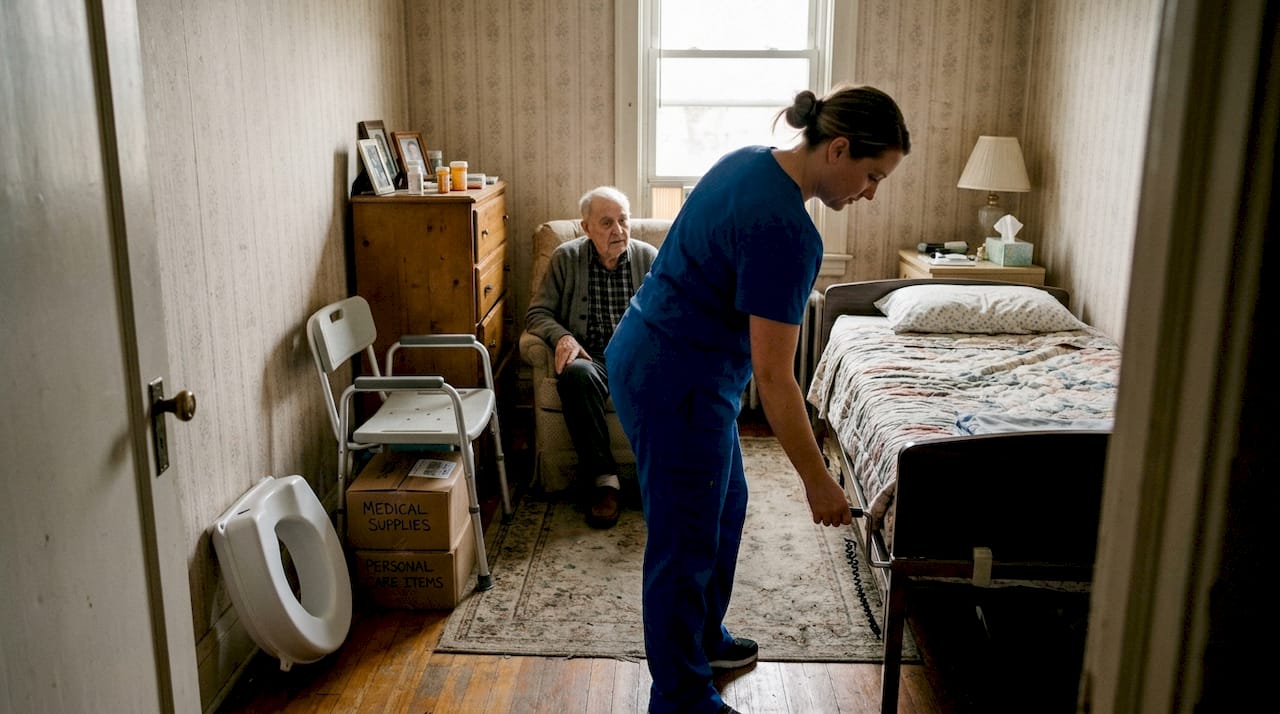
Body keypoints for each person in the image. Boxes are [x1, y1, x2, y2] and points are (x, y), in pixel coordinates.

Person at [603, 85, 910, 714]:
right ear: (839, 149)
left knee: (725, 508)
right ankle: (681, 699)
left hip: (660, 356)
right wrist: (818, 481)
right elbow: (774, 378)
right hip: (676, 378)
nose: (871, 193)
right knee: (683, 545)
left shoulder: (748, 159)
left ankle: (703, 641)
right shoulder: (788, 232)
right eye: (873, 175)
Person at [525, 186, 659, 528]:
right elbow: (537, 313)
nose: (618, 230)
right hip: (591, 356)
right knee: (576, 375)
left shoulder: (648, 258)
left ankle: (659, 476)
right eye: (606, 223)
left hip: (637, 356)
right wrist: (563, 336)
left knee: (670, 376)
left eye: (623, 220)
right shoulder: (565, 258)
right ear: (586, 228)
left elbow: (671, 311)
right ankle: (604, 482)